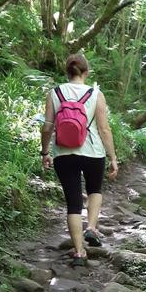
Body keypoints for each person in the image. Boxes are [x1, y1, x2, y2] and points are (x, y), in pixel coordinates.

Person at [40, 54, 118, 267]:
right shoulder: (96, 94)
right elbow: (104, 128)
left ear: (67, 71)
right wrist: (113, 157)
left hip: (64, 153)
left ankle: (79, 252)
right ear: (86, 72)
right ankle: (91, 228)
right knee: (94, 191)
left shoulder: (54, 93)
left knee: (73, 203)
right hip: (93, 152)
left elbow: (47, 127)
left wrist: (45, 151)